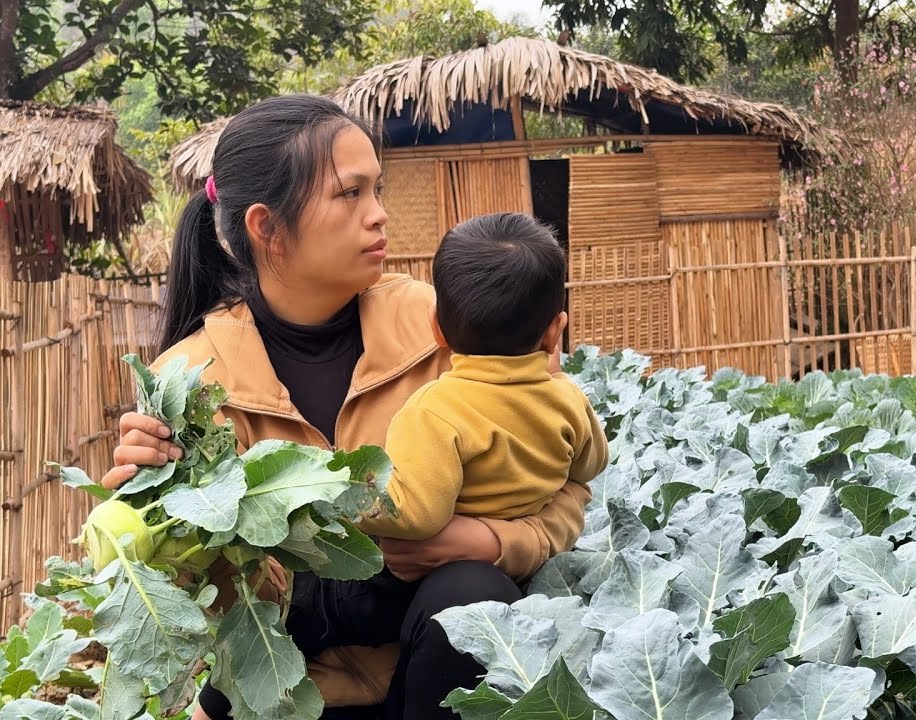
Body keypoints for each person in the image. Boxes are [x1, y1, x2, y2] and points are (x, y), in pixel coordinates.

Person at [98, 94, 591, 719]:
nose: (380, 216)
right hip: (284, 691)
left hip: (430, 676)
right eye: (350, 194)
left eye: (376, 191)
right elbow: (198, 601)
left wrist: (497, 541)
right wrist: (153, 501)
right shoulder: (188, 382)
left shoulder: (448, 325)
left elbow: (565, 481)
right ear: (266, 228)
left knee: (473, 594)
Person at [357, 212, 609, 544]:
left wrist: (342, 499)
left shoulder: (432, 411)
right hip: (540, 568)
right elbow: (592, 465)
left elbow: (418, 514)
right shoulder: (569, 400)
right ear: (555, 333)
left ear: (435, 327)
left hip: (453, 578)